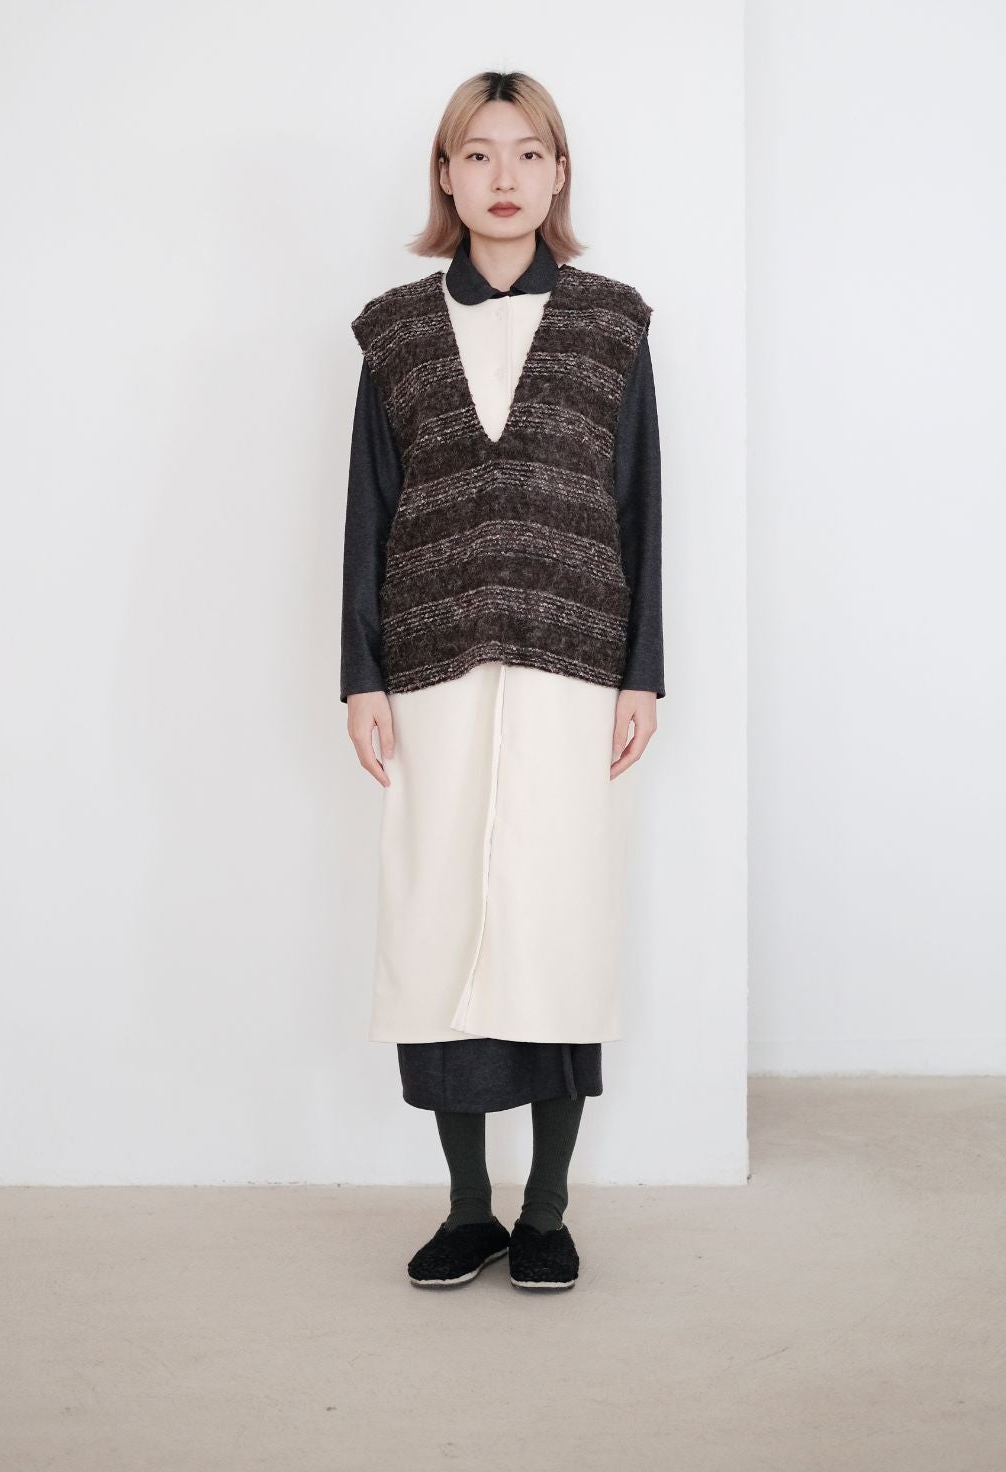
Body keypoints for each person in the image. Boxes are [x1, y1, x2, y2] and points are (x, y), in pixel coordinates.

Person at [340, 69, 664, 1291]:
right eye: (477, 155)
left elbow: (637, 507)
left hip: (572, 670)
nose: (503, 178)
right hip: (428, 670)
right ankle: (468, 1209)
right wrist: (359, 675)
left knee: (554, 919)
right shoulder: (394, 333)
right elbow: (369, 513)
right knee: (436, 920)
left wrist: (642, 674)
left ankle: (547, 1211)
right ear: (445, 175)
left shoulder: (611, 325)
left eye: (527, 154)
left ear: (558, 173)